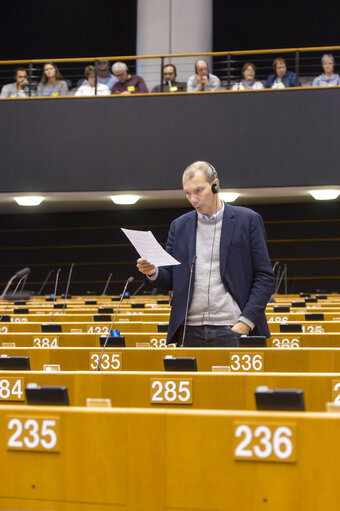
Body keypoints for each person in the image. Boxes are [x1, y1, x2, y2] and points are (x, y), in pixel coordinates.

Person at [137, 161, 275, 347]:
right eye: (187, 193)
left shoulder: (247, 220)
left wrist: (245, 322)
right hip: (188, 328)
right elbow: (171, 278)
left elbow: (264, 276)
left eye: (198, 190)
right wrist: (152, 272)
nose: (193, 199)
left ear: (215, 184)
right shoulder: (179, 226)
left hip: (232, 326)